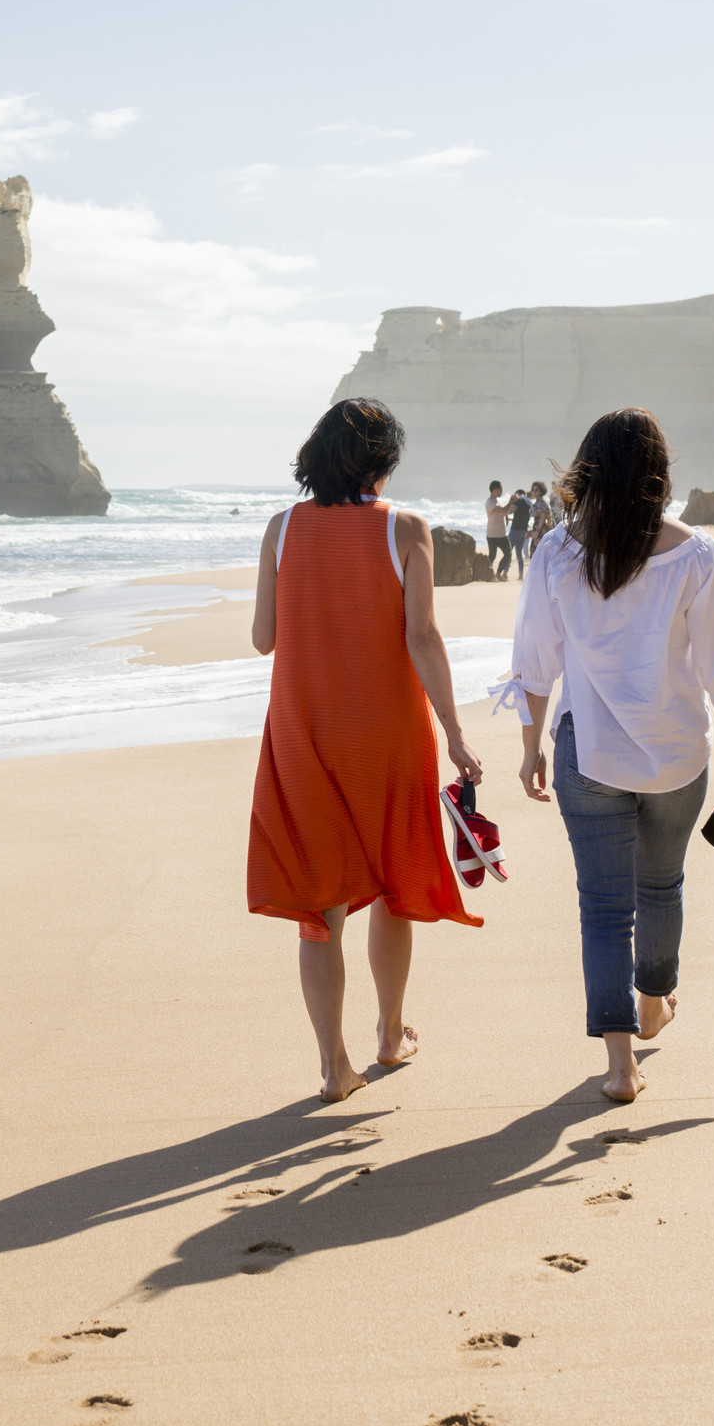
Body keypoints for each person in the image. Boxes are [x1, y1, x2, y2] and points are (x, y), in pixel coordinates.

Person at [495, 407, 714, 1104]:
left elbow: (534, 662)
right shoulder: (694, 553)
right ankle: (654, 1000)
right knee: (660, 886)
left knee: (602, 907)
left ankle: (620, 1067)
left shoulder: (558, 553)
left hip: (587, 755)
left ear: (586, 471)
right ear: (658, 473)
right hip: (676, 756)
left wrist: (529, 747)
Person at [249, 397, 484, 1103]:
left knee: (319, 904)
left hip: (303, 730)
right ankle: (389, 1033)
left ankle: (333, 1067)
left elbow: (264, 638)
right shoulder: (406, 529)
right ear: (381, 464)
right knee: (391, 883)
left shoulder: (280, 529)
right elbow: (421, 638)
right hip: (384, 731)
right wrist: (454, 729)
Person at [485, 481, 511, 577]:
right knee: (492, 556)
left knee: (508, 554)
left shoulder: (498, 501)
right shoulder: (489, 502)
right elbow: (502, 510)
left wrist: (507, 517)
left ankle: (498, 573)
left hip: (502, 534)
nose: (502, 492)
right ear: (495, 490)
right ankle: (486, 573)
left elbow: (504, 512)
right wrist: (511, 502)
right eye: (500, 489)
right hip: (492, 534)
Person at [506, 486, 533, 578]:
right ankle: (521, 574)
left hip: (515, 530)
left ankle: (505, 572)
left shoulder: (518, 501)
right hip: (523, 531)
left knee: (508, 552)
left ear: (516, 494)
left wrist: (510, 502)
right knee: (519, 553)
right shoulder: (529, 502)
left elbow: (509, 511)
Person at [527, 480, 554, 552]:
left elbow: (542, 516)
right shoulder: (538, 501)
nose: (534, 492)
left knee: (537, 551)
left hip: (541, 528)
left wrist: (537, 531)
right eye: (533, 490)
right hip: (538, 527)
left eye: (536, 490)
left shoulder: (541, 501)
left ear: (541, 491)